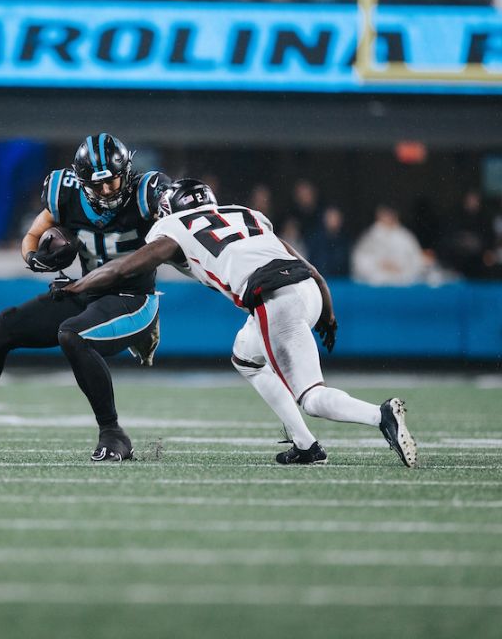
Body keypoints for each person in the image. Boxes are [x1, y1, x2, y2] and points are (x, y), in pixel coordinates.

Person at [62, 178, 417, 467]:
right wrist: (328, 311)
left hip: (275, 298)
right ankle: (306, 445)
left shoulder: (171, 226)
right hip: (306, 289)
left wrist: (76, 286)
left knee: (312, 398)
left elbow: (123, 267)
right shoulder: (246, 214)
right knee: (245, 357)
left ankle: (380, 415)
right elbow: (307, 266)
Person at [0, 134, 170, 461]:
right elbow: (34, 236)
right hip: (89, 290)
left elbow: (181, 235)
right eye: (98, 185)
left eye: (113, 181)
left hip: (133, 298)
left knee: (72, 334)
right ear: (81, 183)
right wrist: (35, 258)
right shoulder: (65, 193)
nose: (108, 191)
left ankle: (113, 433)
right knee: (0, 328)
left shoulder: (147, 194)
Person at [351, 204, 427, 285]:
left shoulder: (406, 237)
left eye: (390, 215)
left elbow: (416, 259)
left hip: (402, 279)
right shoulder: (369, 236)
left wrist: (398, 266)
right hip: (377, 280)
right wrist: (381, 265)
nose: (387, 218)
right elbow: (360, 260)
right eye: (385, 215)